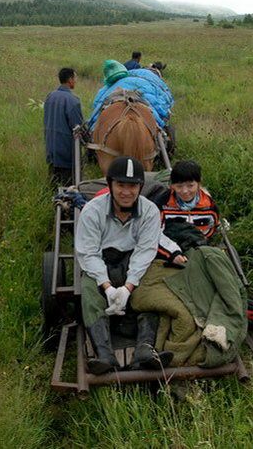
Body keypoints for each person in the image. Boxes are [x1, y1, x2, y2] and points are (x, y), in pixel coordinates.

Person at [75, 156, 174, 374]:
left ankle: (145, 349)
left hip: (132, 262)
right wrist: (107, 287)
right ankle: (104, 354)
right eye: (121, 185)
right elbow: (88, 253)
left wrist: (129, 287)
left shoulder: (149, 212)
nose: (126, 192)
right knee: (90, 292)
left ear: (140, 187)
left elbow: (145, 251)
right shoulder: (92, 211)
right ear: (110, 185)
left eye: (132, 186)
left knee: (150, 292)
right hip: (102, 262)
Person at [43, 68, 82, 187]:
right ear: (70, 80)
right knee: (68, 186)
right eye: (75, 78)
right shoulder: (73, 100)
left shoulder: (50, 96)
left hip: (51, 147)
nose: (75, 81)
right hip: (66, 149)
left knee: (53, 181)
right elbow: (77, 127)